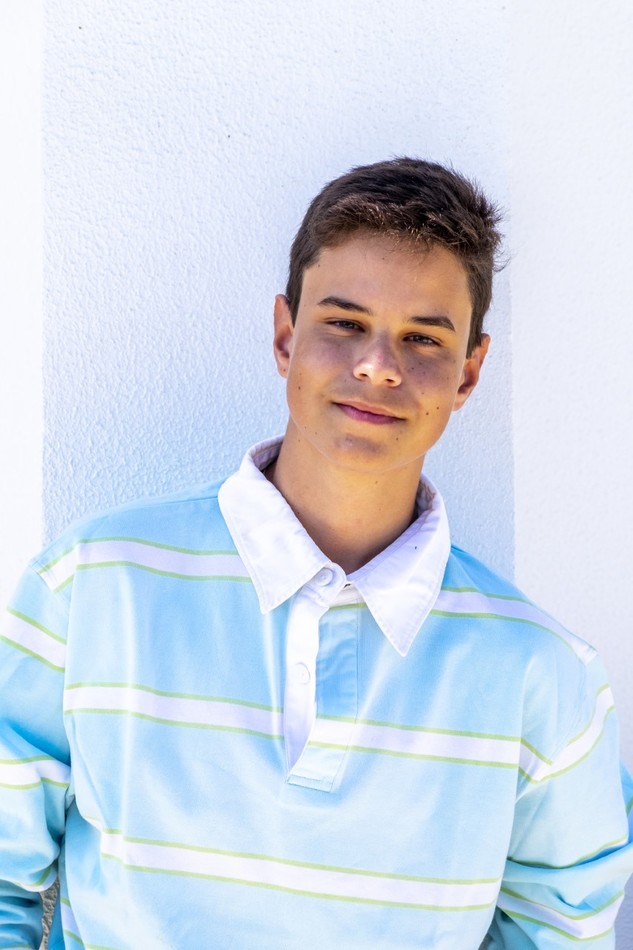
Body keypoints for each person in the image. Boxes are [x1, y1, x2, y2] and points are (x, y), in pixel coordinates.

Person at [0, 158, 631, 949]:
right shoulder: (93, 584)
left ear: (469, 371)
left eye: (422, 337)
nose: (377, 365)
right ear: (284, 334)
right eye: (343, 322)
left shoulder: (541, 672)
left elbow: (560, 934)